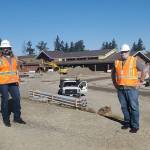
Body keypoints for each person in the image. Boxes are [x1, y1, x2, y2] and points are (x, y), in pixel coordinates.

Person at [111, 44, 147, 133]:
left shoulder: (134, 60)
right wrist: (115, 83)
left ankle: (135, 126)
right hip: (120, 89)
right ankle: (127, 122)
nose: (123, 53)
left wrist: (141, 81)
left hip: (132, 89)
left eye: (125, 52)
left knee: (133, 107)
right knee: (124, 107)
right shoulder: (117, 61)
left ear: (129, 52)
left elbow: (145, 69)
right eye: (122, 52)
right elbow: (113, 72)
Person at [0, 39, 26, 127]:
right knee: (5, 99)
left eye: (7, 48)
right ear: (1, 49)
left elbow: (16, 71)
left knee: (17, 98)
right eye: (3, 48)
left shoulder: (15, 58)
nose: (5, 49)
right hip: (3, 82)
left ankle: (17, 118)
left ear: (10, 48)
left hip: (13, 82)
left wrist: (18, 80)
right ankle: (6, 119)